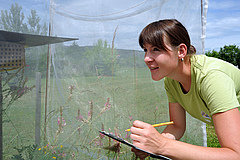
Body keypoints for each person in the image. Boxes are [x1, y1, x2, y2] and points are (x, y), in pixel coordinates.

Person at [130, 19, 240, 160]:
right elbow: (177, 126)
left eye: (155, 49)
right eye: (145, 50)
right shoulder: (171, 80)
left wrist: (162, 145)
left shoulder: (212, 78)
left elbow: (235, 155)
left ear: (181, 51)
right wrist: (152, 145)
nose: (146, 58)